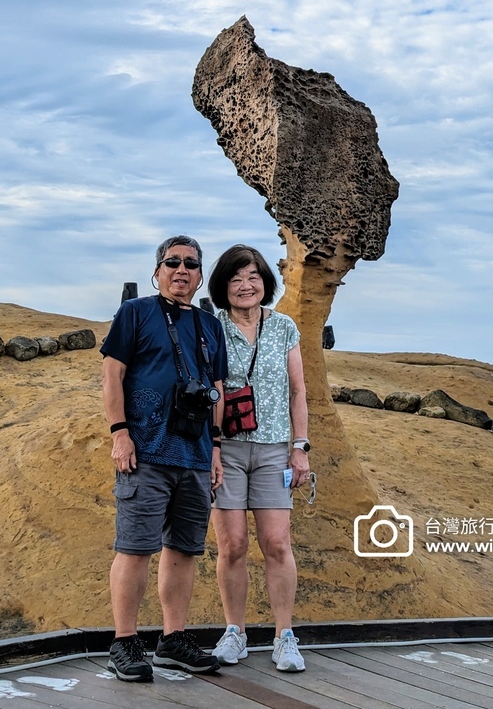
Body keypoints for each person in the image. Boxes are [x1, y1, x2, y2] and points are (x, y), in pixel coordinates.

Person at [101, 235, 227, 682]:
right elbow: (112, 372)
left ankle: (173, 640)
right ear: (157, 271)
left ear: (200, 274)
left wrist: (215, 448)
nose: (181, 270)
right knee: (135, 548)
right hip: (146, 451)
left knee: (184, 550)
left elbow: (217, 390)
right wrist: (120, 434)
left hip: (194, 456)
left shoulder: (211, 326)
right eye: (171, 262)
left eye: (191, 264)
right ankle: (125, 641)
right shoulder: (134, 314)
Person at [207, 244, 310, 672]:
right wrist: (210, 447)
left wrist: (300, 447)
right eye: (235, 279)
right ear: (223, 286)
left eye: (252, 277)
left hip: (273, 451)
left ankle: (285, 636)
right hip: (226, 448)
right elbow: (210, 387)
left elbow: (298, 390)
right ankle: (236, 633)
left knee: (276, 543)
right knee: (231, 545)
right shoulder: (211, 327)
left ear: (265, 281)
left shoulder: (284, 326)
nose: (245, 285)